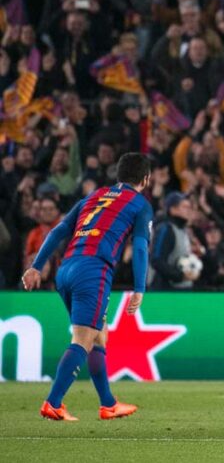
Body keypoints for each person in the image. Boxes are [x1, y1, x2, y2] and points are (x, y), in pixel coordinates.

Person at [21, 153, 153, 421]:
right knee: (83, 338)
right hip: (93, 271)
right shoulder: (140, 204)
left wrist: (36, 266)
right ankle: (53, 402)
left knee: (98, 335)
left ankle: (108, 404)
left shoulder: (95, 195)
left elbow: (58, 231)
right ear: (146, 179)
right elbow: (140, 246)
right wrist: (140, 287)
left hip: (67, 267)